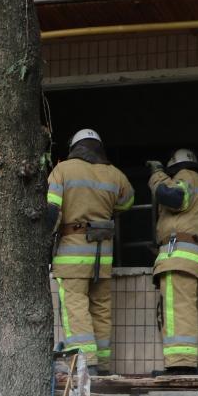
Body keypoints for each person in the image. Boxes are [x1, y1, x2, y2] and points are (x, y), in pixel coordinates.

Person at [47, 129, 134, 375]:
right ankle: (103, 365)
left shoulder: (62, 170)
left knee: (75, 309)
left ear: (75, 147)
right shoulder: (115, 174)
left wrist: (44, 241)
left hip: (72, 251)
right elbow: (127, 202)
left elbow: (52, 212)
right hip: (103, 254)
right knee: (101, 309)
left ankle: (86, 364)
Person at [146, 149, 198, 375]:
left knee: (178, 309)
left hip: (182, 256)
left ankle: (182, 366)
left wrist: (157, 176)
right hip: (189, 256)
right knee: (176, 310)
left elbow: (173, 197)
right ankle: (182, 363)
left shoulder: (187, 175)